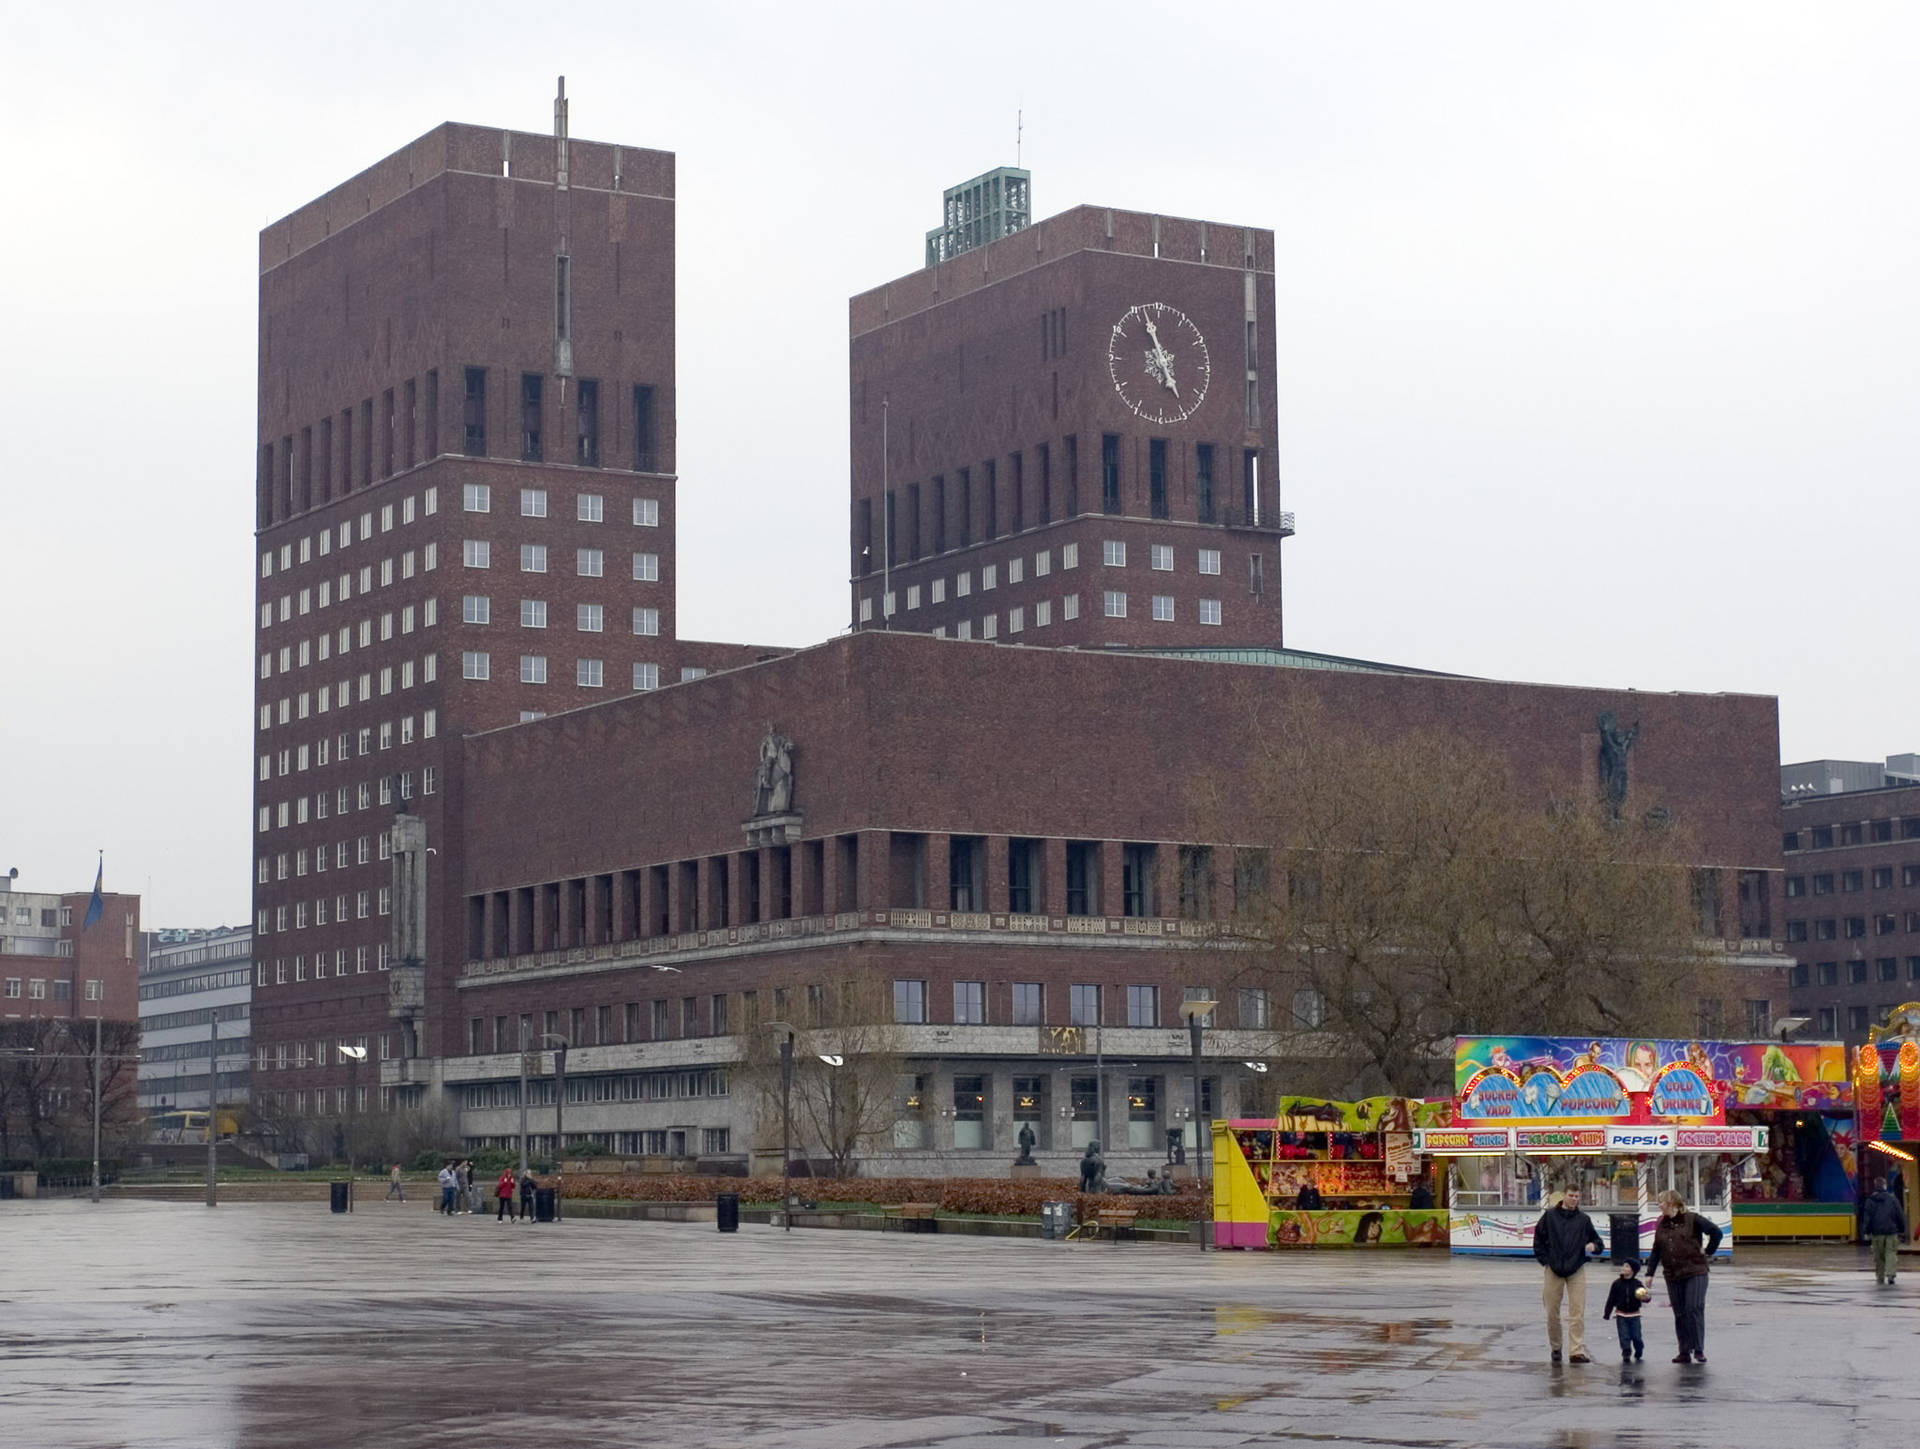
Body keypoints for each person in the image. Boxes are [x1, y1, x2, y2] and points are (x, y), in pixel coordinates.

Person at [1646, 1189, 1723, 1363]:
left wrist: (1708, 1250)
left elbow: (1716, 1232)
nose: (1659, 1205)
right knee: (1680, 1312)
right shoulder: (1662, 1224)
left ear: (1672, 1203)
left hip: (1695, 1271)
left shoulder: (1693, 1219)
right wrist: (1649, 1273)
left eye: (1662, 1202)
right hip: (1672, 1273)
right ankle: (1684, 1351)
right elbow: (1656, 1249)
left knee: (1693, 1307)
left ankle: (1698, 1349)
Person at [1532, 1183, 1605, 1363]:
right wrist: (1545, 1261)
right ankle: (1556, 1347)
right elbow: (1538, 1239)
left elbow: (1598, 1242)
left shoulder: (1583, 1220)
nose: (1574, 1199)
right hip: (1554, 1269)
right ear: (1564, 1196)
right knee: (1551, 1311)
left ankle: (1576, 1350)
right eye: (1571, 1195)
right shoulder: (1549, 1217)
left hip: (1576, 1268)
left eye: (1577, 1197)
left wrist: (1593, 1246)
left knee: (1577, 1311)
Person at [1863, 1174, 1909, 1286]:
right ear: (1884, 1186)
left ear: (1875, 1186)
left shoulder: (1870, 1201)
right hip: (1891, 1231)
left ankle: (1880, 1276)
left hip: (1877, 1232)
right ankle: (1891, 1274)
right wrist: (1902, 1229)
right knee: (1891, 1253)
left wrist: (1866, 1231)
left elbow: (1867, 1217)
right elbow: (1899, 1215)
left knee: (1879, 1255)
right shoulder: (1893, 1199)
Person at [1602, 1257, 1649, 1362]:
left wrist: (1646, 1298)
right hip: (1621, 1315)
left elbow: (1645, 1296)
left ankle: (1639, 1348)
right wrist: (1607, 1313)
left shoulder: (1637, 1284)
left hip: (1635, 1315)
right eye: (1623, 1265)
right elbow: (1611, 1299)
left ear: (1633, 1270)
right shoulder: (1616, 1284)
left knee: (1636, 1336)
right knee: (1624, 1336)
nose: (1623, 1268)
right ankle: (1626, 1351)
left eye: (1627, 1266)